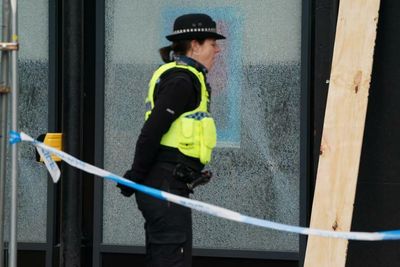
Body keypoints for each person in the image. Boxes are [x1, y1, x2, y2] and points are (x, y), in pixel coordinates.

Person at [117, 13, 225, 267]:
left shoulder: (190, 78)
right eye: (212, 43)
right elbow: (151, 131)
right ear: (195, 45)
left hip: (170, 185)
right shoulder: (181, 81)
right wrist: (135, 175)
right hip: (164, 186)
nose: (217, 50)